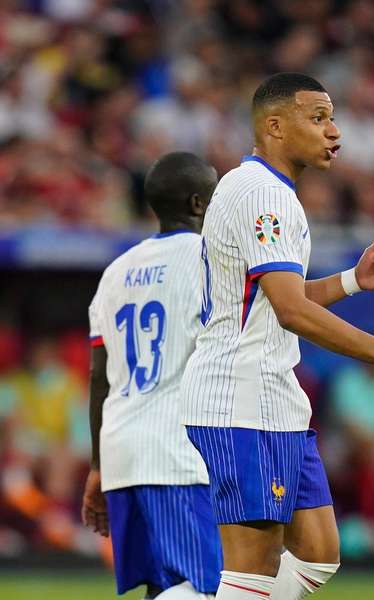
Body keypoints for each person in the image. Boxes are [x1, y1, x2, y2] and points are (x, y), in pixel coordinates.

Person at [180, 72, 374, 600]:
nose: (334, 131)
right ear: (276, 126)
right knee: (253, 568)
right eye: (319, 117)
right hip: (240, 397)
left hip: (271, 397)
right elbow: (289, 311)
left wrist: (353, 281)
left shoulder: (262, 189)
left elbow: (277, 295)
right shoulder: (265, 195)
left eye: (332, 117)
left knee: (319, 555)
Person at [81, 152, 222, 599]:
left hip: (122, 450)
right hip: (177, 452)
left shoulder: (115, 272)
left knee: (164, 588)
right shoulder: (209, 258)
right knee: (200, 590)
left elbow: (99, 378)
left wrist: (98, 467)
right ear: (200, 204)